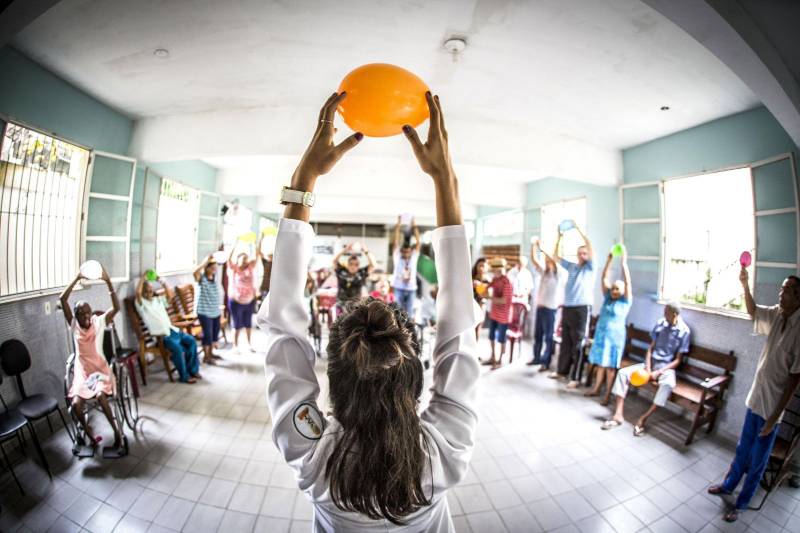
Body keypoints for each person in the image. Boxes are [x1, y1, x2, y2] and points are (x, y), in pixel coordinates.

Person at [259, 91, 479, 531]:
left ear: (332, 379)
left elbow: (459, 325)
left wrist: (306, 175)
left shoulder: (316, 456)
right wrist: (443, 177)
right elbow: (283, 323)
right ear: (414, 376)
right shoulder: (441, 454)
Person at [707, 270, 800, 522]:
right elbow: (753, 311)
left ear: (798, 297)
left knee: (758, 460)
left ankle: (742, 502)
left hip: (772, 408)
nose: (781, 293)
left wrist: (775, 416)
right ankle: (728, 485)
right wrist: (745, 286)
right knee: (742, 449)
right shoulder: (778, 313)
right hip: (756, 398)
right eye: (781, 288)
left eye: (787, 289)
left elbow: (795, 378)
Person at [59, 266, 125, 456]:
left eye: (88, 313)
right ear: (76, 315)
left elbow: (117, 308)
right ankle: (90, 436)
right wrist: (77, 277)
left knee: (100, 397)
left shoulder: (98, 321)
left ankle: (117, 433)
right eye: (81, 313)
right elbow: (63, 299)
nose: (86, 316)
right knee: (76, 406)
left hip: (99, 370)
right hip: (82, 372)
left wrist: (107, 281)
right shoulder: (74, 326)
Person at [601, 302, 690, 435]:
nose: (663, 315)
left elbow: (678, 360)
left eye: (666, 312)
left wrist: (659, 372)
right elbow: (650, 348)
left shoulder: (684, 331)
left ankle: (643, 419)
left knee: (668, 384)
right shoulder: (660, 324)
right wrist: (648, 367)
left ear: (675, 315)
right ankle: (618, 414)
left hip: (665, 368)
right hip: (650, 364)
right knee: (623, 373)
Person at [550, 224, 595, 388]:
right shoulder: (572, 267)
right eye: (580, 253)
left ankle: (575, 377)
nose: (582, 255)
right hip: (568, 307)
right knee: (566, 341)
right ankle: (562, 371)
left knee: (578, 343)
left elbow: (589, 245)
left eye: (585, 253)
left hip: (582, 309)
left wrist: (577, 229)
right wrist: (559, 236)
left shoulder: (590, 267)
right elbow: (555, 256)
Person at [584, 251, 632, 405]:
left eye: (618, 289)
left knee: (611, 368)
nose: (615, 291)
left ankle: (607, 396)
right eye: (613, 288)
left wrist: (623, 263)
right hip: (601, 336)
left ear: (623, 290)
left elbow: (628, 283)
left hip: (614, 340)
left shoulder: (625, 302)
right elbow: (603, 278)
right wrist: (609, 260)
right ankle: (596, 389)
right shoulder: (607, 299)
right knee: (601, 365)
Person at [136, 274, 200, 384]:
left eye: (150, 290)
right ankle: (184, 377)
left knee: (192, 342)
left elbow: (170, 295)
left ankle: (193, 371)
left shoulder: (158, 300)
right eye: (146, 291)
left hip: (174, 330)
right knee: (179, 350)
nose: (149, 293)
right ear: (143, 293)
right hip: (163, 336)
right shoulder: (141, 304)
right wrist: (144, 278)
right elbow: (137, 293)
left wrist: (161, 281)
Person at [528, 239, 565, 371]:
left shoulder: (557, 273)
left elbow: (553, 261)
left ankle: (546, 362)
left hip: (550, 310)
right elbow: (533, 259)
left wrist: (541, 248)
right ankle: (536, 358)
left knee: (549, 337)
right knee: (538, 335)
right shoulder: (544, 272)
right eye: (547, 262)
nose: (548, 263)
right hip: (540, 307)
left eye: (549, 262)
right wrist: (533, 245)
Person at [481, 257, 513, 370]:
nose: (495, 272)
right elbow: (488, 287)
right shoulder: (495, 279)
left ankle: (500, 360)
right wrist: (483, 289)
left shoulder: (507, 282)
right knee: (491, 337)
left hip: (503, 315)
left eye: (496, 270)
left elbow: (504, 300)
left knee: (501, 339)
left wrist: (489, 297)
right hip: (494, 313)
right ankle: (493, 357)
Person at [228, 244, 261, 352]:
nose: (245, 261)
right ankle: (235, 346)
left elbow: (257, 255)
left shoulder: (250, 268)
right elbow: (229, 259)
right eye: (242, 259)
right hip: (236, 301)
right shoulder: (234, 269)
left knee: (248, 323)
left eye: (246, 259)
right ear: (237, 260)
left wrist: (258, 242)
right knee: (236, 325)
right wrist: (235, 244)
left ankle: (249, 344)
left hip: (249, 300)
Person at [193, 254, 223, 364]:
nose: (214, 268)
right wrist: (205, 262)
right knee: (208, 334)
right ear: (206, 268)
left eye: (215, 266)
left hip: (215, 310)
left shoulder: (214, 278)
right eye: (212, 267)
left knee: (214, 334)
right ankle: (206, 357)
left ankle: (210, 353)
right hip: (204, 312)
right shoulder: (201, 279)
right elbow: (194, 272)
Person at [332, 242, 376, 312]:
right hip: (341, 304)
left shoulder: (361, 273)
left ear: (358, 266)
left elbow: (373, 265)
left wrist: (366, 252)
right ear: (348, 264)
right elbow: (334, 261)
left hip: (355, 306)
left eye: (356, 264)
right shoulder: (341, 271)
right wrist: (345, 250)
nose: (353, 266)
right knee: (340, 322)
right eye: (351, 264)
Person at [392, 216, 422, 316]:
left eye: (408, 252)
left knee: (409, 313)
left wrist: (414, 224)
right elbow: (395, 242)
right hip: (398, 287)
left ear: (411, 251)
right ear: (401, 251)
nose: (405, 253)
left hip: (411, 288)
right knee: (397, 312)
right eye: (403, 251)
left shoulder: (414, 258)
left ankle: (408, 331)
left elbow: (418, 243)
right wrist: (398, 223)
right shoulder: (397, 257)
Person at [472, 257, 489, 340]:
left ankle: (475, 347)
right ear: (476, 266)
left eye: (483, 266)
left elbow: (487, 295)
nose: (481, 268)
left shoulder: (488, 281)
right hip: (470, 306)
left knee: (478, 327)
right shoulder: (470, 278)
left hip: (481, 306)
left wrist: (480, 286)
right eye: (480, 265)